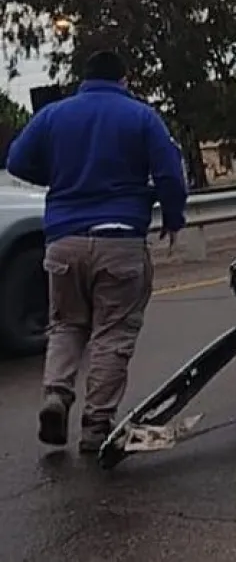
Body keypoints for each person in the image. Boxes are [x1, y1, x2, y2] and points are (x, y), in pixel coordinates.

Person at [5, 50, 188, 453]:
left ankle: (56, 394)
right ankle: (96, 425)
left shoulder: (52, 115)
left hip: (63, 241)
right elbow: (170, 174)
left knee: (65, 325)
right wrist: (173, 218)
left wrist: (56, 178)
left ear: (83, 79)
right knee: (113, 332)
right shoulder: (142, 116)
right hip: (120, 239)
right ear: (124, 79)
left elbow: (16, 160)